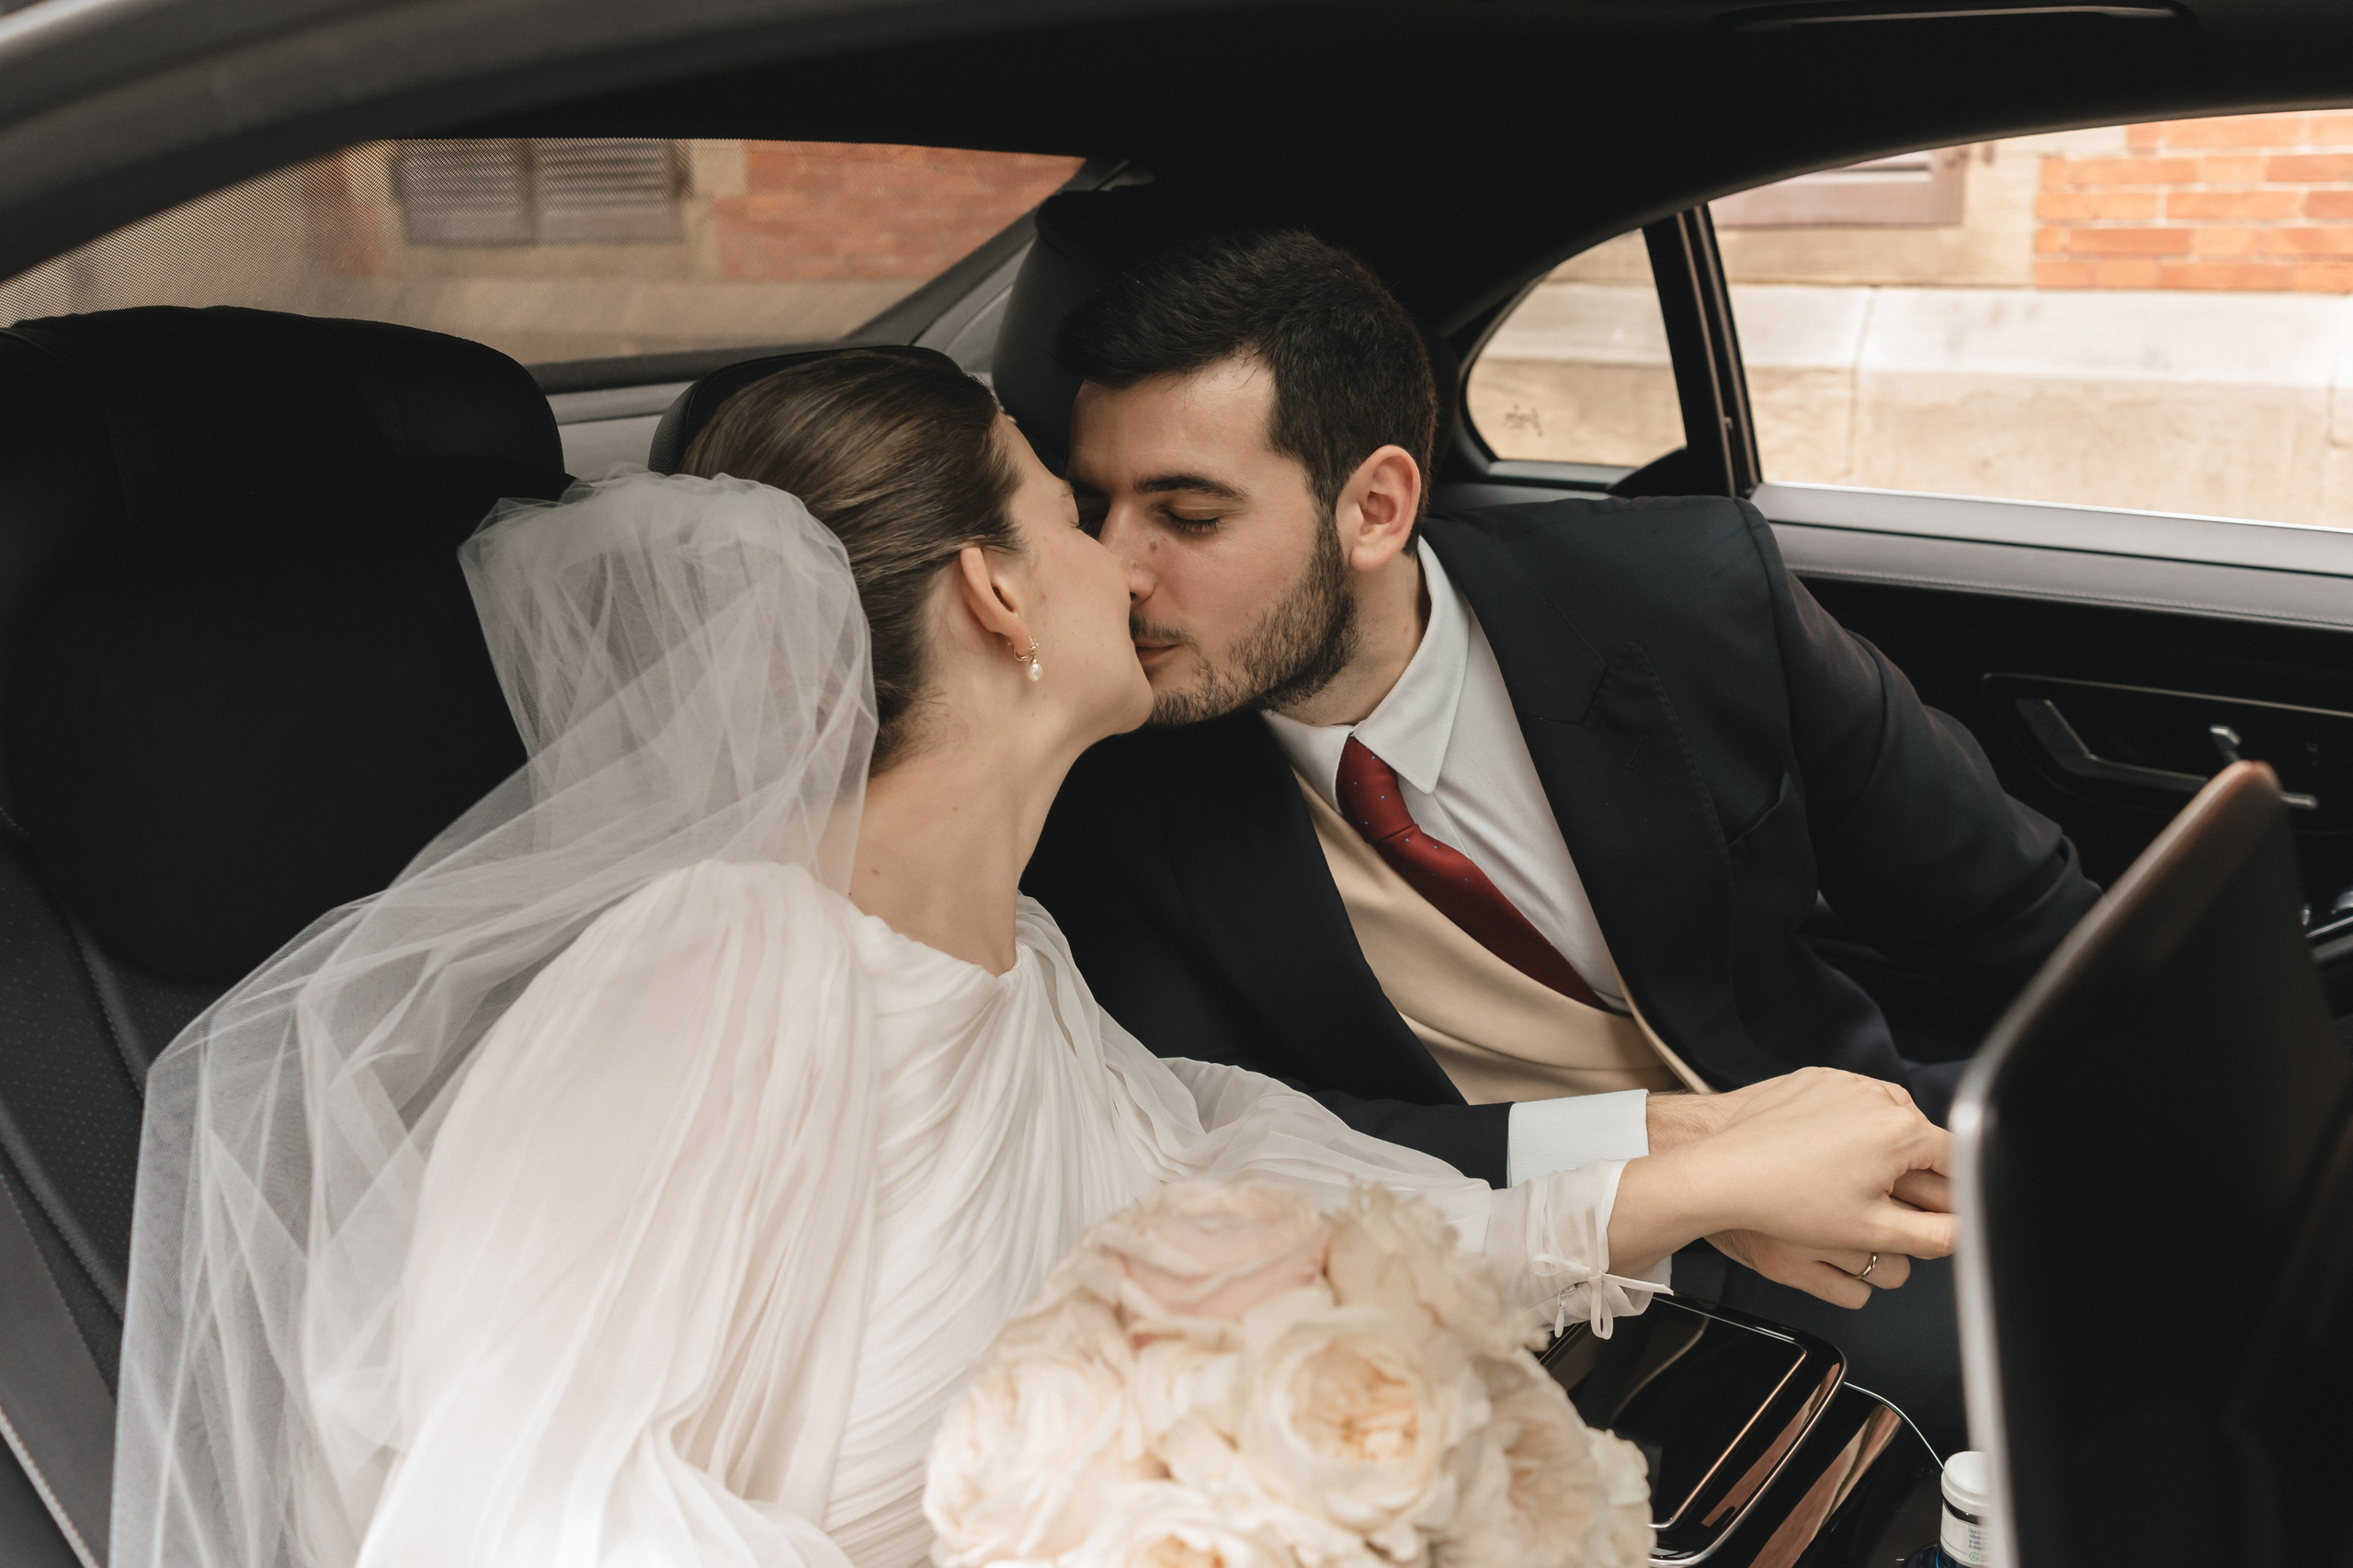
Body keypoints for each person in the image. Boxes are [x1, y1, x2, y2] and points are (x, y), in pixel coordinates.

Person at [113, 348, 1953, 1568]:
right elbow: (505, 1521)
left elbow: (1282, 1191)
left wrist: (1696, 1160)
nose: (1127, 567)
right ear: (996, 590)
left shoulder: (1023, 964)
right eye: (1075, 513)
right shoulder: (709, 973)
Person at [1021, 228, 2103, 1446]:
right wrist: (1671, 1172)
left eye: (1186, 514)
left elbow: (2019, 918)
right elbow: (1229, 1136)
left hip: (1858, 1162)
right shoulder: (1107, 781)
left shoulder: (1689, 596)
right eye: (1095, 506)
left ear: (1375, 508)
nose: (1115, 570)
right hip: (1493, 1286)